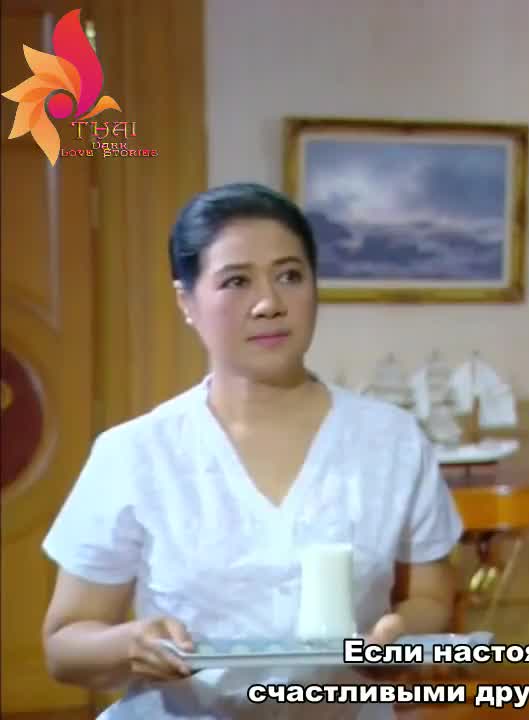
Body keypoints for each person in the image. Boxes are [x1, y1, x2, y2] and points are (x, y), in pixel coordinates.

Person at [40, 182, 465, 718]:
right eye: (236, 281)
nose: (269, 304)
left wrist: (399, 636)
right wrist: (130, 643)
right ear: (186, 301)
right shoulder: (135, 453)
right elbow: (64, 644)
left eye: (290, 276)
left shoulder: (392, 441)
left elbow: (429, 596)